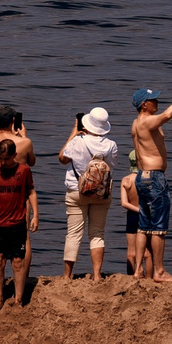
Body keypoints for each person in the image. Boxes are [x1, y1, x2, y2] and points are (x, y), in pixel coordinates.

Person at [125, 81, 172, 280]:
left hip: (142, 176)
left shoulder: (135, 123)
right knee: (158, 228)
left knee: (143, 225)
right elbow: (167, 115)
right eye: (152, 100)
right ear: (143, 105)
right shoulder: (146, 121)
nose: (156, 101)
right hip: (155, 178)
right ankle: (159, 271)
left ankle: (138, 269)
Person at [59, 109, 117, 279]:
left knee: (74, 233)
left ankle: (67, 275)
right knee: (97, 233)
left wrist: (73, 134)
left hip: (77, 191)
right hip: (101, 193)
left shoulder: (77, 141)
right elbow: (112, 165)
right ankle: (97, 274)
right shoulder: (111, 145)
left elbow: (62, 158)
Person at [0, 137, 37, 316]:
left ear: (14, 155)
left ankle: (18, 299)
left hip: (17, 223)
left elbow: (31, 192)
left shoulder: (23, 171)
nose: (3, 162)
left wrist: (36, 216)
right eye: (0, 158)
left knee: (17, 261)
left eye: (6, 158)